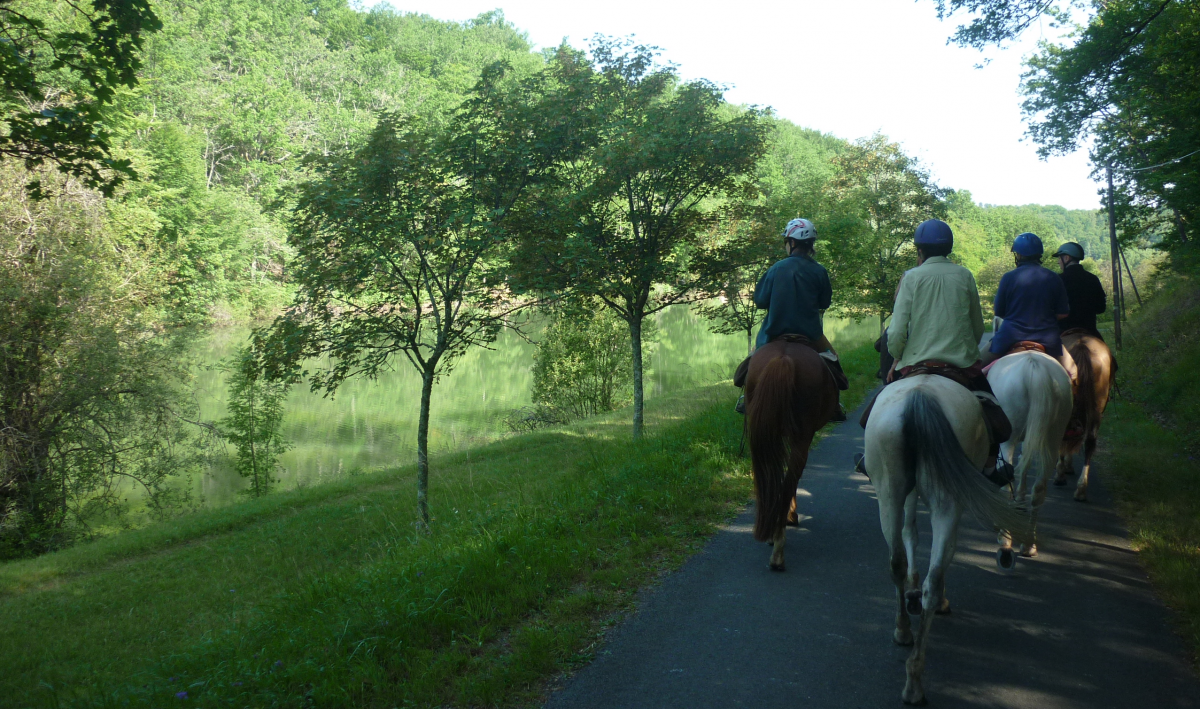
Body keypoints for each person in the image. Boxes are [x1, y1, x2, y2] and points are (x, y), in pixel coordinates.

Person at [855, 219, 1012, 484]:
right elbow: (976, 327)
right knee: (993, 415)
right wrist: (965, 351)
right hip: (959, 365)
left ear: (919, 250)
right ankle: (989, 468)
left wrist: (898, 357)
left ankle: (872, 462)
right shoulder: (965, 275)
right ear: (948, 248)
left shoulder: (911, 277)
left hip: (915, 364)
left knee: (870, 416)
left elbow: (895, 332)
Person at [734, 217, 847, 421]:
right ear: (810, 244)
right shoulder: (820, 271)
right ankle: (835, 405)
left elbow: (760, 301)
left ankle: (745, 398)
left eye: (786, 241)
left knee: (751, 362)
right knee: (833, 361)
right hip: (810, 335)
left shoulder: (776, 268)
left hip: (773, 333)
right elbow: (825, 302)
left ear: (792, 242)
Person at [983, 233, 1077, 380]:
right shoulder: (1053, 277)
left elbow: (999, 311)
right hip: (1048, 337)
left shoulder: (1008, 277)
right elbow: (1063, 313)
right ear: (1039, 254)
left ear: (1018, 255)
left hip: (1010, 336)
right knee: (1074, 372)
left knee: (976, 368)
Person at [1052, 241, 1107, 338]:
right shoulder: (1093, 278)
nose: (1058, 261)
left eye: (1059, 258)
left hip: (1063, 330)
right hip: (1089, 330)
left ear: (1066, 258)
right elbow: (1101, 308)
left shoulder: (1057, 280)